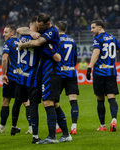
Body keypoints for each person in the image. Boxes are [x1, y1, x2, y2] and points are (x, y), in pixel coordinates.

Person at [18, 13, 72, 144]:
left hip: (51, 72)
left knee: (48, 103)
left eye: (41, 27)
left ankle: (52, 137)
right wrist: (31, 32)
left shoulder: (51, 31)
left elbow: (37, 43)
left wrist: (22, 45)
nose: (40, 29)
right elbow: (20, 30)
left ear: (48, 23)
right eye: (38, 26)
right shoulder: (43, 31)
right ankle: (66, 135)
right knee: (55, 104)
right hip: (48, 72)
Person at [0, 25, 31, 136]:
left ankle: (2, 126)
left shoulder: (8, 43)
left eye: (6, 32)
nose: (3, 34)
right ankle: (32, 127)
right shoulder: (22, 42)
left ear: (12, 33)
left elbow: (4, 59)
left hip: (11, 77)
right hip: (22, 76)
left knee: (5, 100)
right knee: (26, 101)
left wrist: (3, 74)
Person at [86, 19, 120, 132]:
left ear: (100, 27)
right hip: (111, 72)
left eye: (93, 27)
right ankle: (114, 120)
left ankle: (102, 125)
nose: (91, 30)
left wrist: (89, 67)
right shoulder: (113, 37)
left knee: (100, 99)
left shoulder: (97, 39)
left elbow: (96, 53)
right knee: (111, 97)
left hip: (99, 73)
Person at [16, 16, 42, 143]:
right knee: (33, 105)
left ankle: (13, 126)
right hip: (33, 77)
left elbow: (20, 30)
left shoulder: (22, 38)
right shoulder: (38, 38)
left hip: (21, 76)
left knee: (20, 101)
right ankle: (35, 136)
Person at [55, 21, 79, 135]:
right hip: (71, 73)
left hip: (58, 74)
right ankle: (74, 127)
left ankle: (57, 125)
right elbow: (75, 59)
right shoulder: (72, 40)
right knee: (73, 101)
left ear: (57, 28)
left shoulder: (55, 40)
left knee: (53, 100)